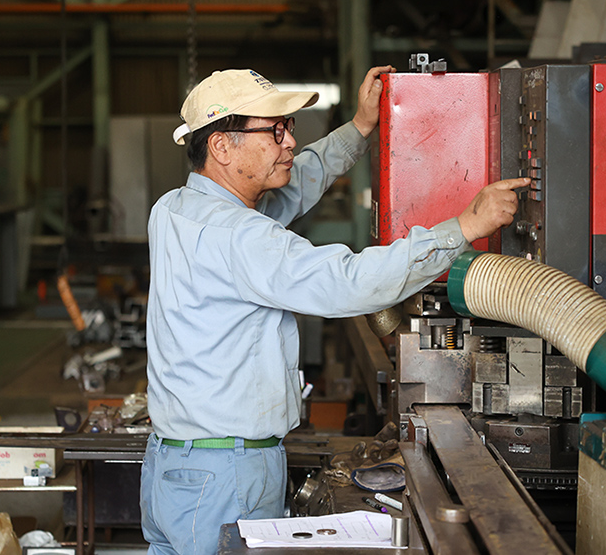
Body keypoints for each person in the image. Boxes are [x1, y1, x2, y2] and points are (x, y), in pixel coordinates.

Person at [140, 65, 529, 554]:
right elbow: (349, 283)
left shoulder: (174, 209)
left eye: (290, 130)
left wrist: (359, 128)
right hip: (227, 475)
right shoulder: (238, 236)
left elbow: (292, 184)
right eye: (275, 131)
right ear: (222, 145)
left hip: (175, 469)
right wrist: (463, 227)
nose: (288, 143)